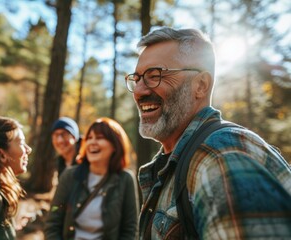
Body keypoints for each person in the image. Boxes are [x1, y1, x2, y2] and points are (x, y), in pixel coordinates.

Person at [125, 27, 291, 239]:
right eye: (137, 78)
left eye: (154, 75)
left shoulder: (221, 155)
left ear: (201, 85)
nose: (139, 91)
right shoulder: (180, 161)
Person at [44, 117, 139, 240]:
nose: (92, 142)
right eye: (89, 138)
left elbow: (130, 230)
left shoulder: (125, 179)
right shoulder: (69, 176)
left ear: (115, 145)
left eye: (99, 138)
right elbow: (53, 223)